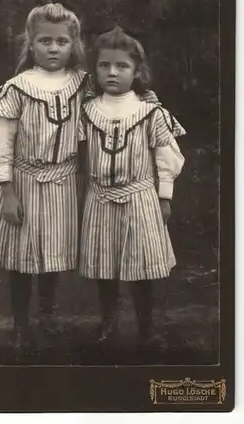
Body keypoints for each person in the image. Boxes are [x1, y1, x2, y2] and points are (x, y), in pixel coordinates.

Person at [0, 3, 160, 349]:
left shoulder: (82, 84)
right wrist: (7, 190)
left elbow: (116, 95)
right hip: (25, 180)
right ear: (30, 44)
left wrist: (144, 95)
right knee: (21, 255)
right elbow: (1, 143)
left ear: (73, 44)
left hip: (65, 183)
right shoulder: (18, 87)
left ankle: (47, 315)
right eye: (45, 41)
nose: (53, 49)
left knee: (52, 254)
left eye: (61, 42)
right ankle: (20, 325)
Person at [78, 26, 186, 349]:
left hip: (139, 196)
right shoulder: (87, 111)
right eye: (104, 65)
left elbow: (167, 155)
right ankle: (108, 320)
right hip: (100, 198)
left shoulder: (149, 111)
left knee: (140, 268)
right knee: (104, 265)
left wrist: (164, 196)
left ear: (137, 71)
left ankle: (146, 325)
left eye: (122, 66)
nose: (112, 72)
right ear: (95, 69)